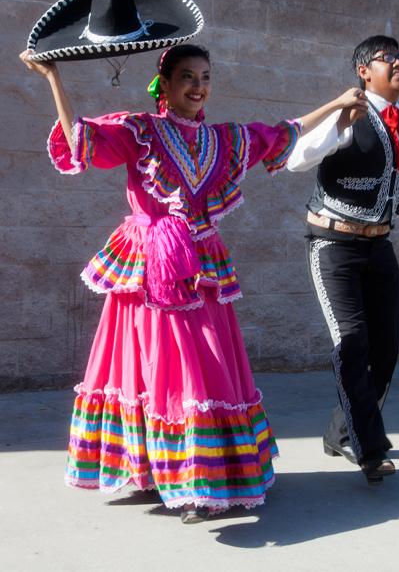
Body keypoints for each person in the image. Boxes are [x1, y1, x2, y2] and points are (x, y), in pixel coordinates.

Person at [19, 43, 366, 521]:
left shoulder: (224, 140)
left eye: (205, 77)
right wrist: (53, 78)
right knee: (148, 365)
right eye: (187, 77)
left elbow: (282, 133)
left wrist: (337, 104)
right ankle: (153, 471)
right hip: (148, 263)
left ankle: (197, 475)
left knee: (196, 364)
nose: (198, 87)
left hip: (199, 265)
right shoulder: (140, 131)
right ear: (163, 84)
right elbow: (81, 142)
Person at [287, 35, 399, 485]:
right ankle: (368, 448)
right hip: (334, 244)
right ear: (364, 70)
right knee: (352, 341)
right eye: (389, 59)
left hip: (379, 244)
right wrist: (338, 118)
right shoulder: (350, 114)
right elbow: (295, 160)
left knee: (386, 349)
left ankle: (340, 433)